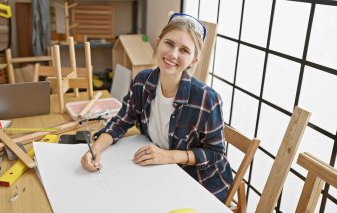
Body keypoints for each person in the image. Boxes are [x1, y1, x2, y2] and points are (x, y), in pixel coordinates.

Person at [81, 12, 233, 202]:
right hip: (159, 172)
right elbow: (121, 122)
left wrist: (169, 157)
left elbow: (216, 154)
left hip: (199, 182)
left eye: (184, 50)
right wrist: (94, 149)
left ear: (194, 60)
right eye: (169, 43)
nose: (173, 54)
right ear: (158, 42)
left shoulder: (207, 98)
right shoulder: (142, 81)